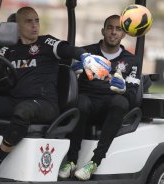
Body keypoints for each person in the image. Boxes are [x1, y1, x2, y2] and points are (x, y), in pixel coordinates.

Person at [0, 6, 111, 167]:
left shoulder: (46, 43)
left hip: (45, 104)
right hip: (15, 100)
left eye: (37, 21)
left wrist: (84, 56)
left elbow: (66, 49)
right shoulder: (9, 49)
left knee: (23, 110)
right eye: (28, 22)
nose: (35, 25)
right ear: (17, 27)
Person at [58, 14, 141, 181]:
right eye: (110, 27)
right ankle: (72, 160)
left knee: (120, 102)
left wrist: (124, 89)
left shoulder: (132, 61)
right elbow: (69, 85)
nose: (113, 32)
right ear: (103, 31)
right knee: (81, 101)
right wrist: (74, 73)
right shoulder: (87, 53)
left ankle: (94, 162)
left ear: (123, 34)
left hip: (111, 111)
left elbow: (132, 98)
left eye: (118, 29)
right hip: (87, 106)